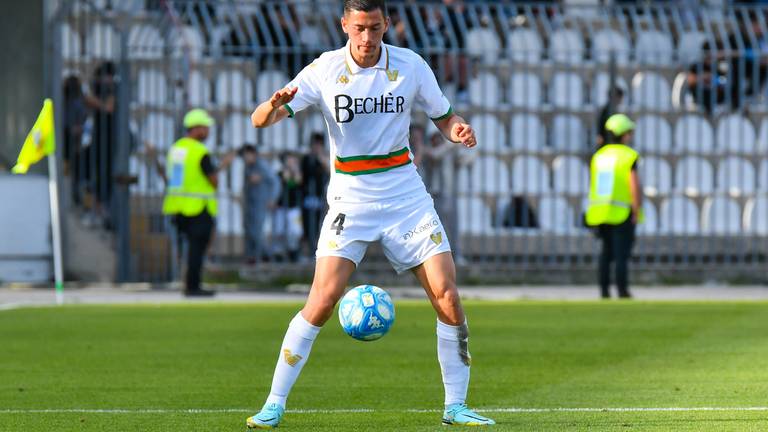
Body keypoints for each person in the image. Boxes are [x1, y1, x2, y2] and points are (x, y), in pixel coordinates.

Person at [246, 0, 494, 428]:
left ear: (387, 25)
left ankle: (456, 406)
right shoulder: (323, 70)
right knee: (322, 301)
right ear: (344, 24)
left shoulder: (411, 66)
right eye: (359, 28)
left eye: (375, 28)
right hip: (351, 199)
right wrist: (273, 105)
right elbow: (258, 120)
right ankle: (273, 403)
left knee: (448, 296)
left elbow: (445, 116)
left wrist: (458, 131)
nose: (366, 38)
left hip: (405, 196)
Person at [162, 109, 234, 297]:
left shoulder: (176, 148)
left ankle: (186, 283)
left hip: (177, 206)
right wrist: (221, 169)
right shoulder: (200, 151)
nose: (208, 131)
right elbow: (213, 181)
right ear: (196, 129)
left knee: (185, 249)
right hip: (198, 208)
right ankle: (192, 287)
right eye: (205, 127)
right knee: (196, 250)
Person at [585, 114, 643, 300]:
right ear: (624, 134)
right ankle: (622, 290)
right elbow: (633, 184)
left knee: (605, 254)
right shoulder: (628, 156)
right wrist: (636, 208)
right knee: (621, 255)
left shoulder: (598, 156)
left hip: (600, 211)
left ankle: (603, 291)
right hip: (621, 211)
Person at [239, 143, 280, 265]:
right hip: (250, 203)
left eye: (246, 155)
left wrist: (273, 199)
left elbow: (275, 182)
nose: (245, 158)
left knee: (256, 231)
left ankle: (264, 255)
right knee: (249, 230)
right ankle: (252, 257)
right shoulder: (248, 167)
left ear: (253, 154)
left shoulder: (262, 166)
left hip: (261, 203)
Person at [300, 133, 330, 255]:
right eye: (314, 144)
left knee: (319, 224)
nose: (316, 147)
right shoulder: (306, 159)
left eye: (319, 145)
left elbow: (330, 172)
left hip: (320, 196)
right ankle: (308, 250)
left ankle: (317, 251)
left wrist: (322, 160)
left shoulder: (324, 159)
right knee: (307, 225)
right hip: (307, 196)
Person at [272, 151, 304, 263]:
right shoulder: (280, 172)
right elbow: (285, 179)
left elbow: (298, 180)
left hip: (293, 206)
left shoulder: (298, 172)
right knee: (279, 231)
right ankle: (278, 253)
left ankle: (293, 250)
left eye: (293, 160)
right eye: (289, 160)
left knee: (295, 231)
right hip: (281, 207)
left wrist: (295, 170)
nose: (291, 162)